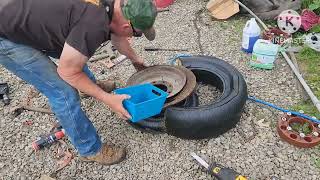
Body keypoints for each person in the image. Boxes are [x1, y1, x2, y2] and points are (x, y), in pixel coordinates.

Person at [0, 0, 157, 165]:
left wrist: (136, 60)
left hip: (27, 16)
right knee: (63, 92)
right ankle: (90, 149)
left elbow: (115, 35)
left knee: (77, 52)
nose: (133, 36)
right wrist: (107, 98)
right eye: (136, 33)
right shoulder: (94, 24)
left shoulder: (115, 7)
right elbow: (67, 71)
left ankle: (87, 87)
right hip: (6, 37)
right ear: (126, 27)